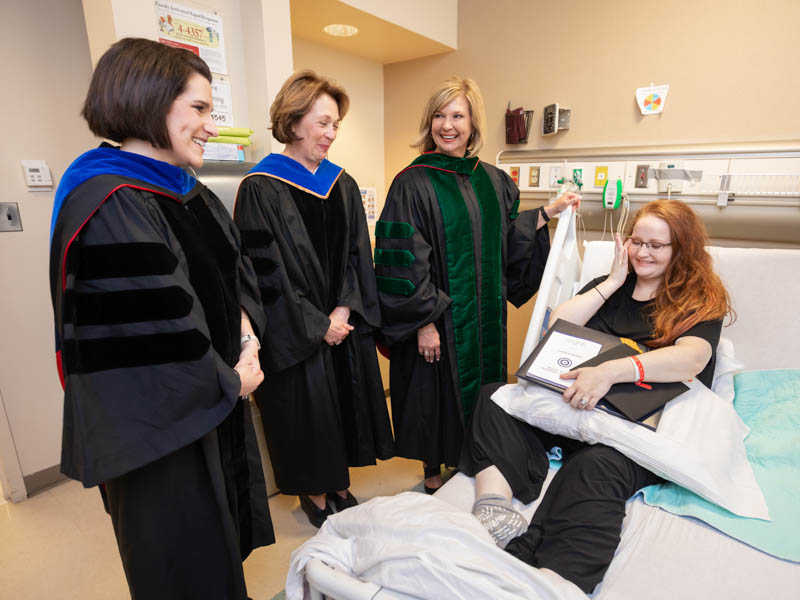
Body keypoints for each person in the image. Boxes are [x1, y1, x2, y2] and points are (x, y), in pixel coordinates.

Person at [48, 38, 273, 600]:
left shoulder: (189, 192)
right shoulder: (111, 201)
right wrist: (233, 380)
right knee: (186, 570)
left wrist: (247, 336)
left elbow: (236, 272)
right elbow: (153, 337)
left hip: (209, 409)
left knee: (218, 557)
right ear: (149, 101)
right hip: (158, 434)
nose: (210, 125)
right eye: (198, 109)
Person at [459, 199, 733, 593]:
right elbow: (557, 324)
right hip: (576, 409)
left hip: (634, 425)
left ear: (682, 249)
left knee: (596, 466)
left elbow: (693, 358)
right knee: (494, 397)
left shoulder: (698, 301)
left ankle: (556, 578)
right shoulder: (612, 285)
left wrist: (611, 372)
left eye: (657, 245)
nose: (643, 252)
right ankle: (494, 509)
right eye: (636, 241)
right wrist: (610, 283)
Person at [375, 76, 580, 492]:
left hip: (484, 319)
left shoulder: (492, 180)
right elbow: (403, 259)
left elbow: (505, 238)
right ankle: (433, 474)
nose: (447, 125)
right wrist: (424, 321)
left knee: (484, 390)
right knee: (434, 394)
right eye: (439, 115)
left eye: (457, 116)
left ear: (472, 124)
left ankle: (476, 460)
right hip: (439, 321)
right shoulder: (411, 182)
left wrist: (547, 213)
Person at [233, 70, 394, 528]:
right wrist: (315, 323)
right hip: (297, 331)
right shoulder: (259, 187)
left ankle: (339, 482)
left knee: (342, 404)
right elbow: (263, 275)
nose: (331, 134)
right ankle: (314, 490)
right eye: (323, 123)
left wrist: (343, 309)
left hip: (340, 323)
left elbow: (357, 253)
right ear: (294, 120)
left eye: (335, 125)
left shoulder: (341, 183)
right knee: (306, 411)